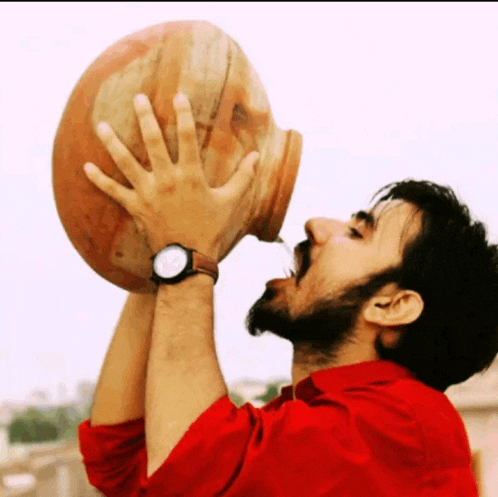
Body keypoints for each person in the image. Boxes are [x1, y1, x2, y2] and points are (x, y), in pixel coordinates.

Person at [78, 93, 498, 496]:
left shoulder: (408, 425)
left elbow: (190, 466)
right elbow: (120, 460)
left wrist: (185, 254)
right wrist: (165, 244)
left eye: (356, 233)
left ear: (391, 305)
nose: (316, 224)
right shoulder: (304, 424)